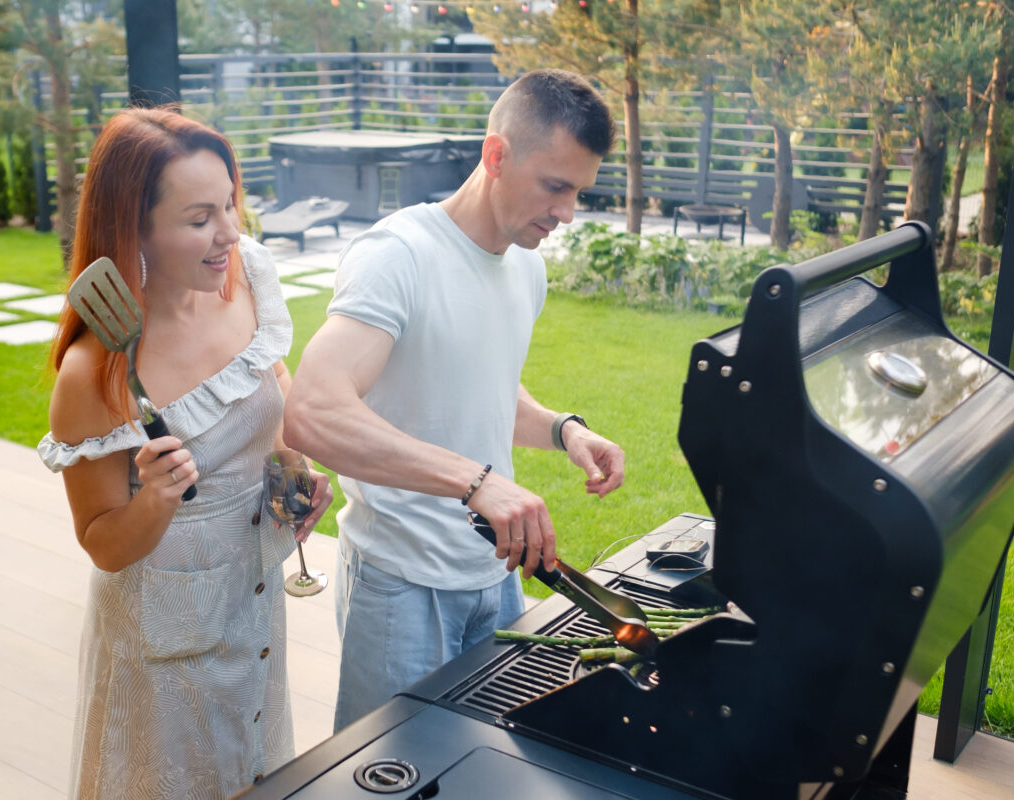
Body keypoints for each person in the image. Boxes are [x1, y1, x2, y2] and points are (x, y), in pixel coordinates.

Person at [282, 69, 626, 731]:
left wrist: (564, 432)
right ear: (496, 156)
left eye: (579, 191)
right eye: (555, 186)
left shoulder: (526, 265)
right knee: (393, 774)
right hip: (401, 583)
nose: (567, 213)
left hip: (495, 576)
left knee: (489, 766)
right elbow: (313, 409)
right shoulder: (399, 256)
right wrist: (476, 482)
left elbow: (482, 389)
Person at [38, 107, 333, 799]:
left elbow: (273, 385)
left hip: (253, 598)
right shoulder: (97, 372)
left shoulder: (248, 278)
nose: (230, 233)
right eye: (200, 219)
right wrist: (160, 499)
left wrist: (295, 468)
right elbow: (103, 544)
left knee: (255, 772)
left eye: (231, 204)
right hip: (160, 642)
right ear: (132, 228)